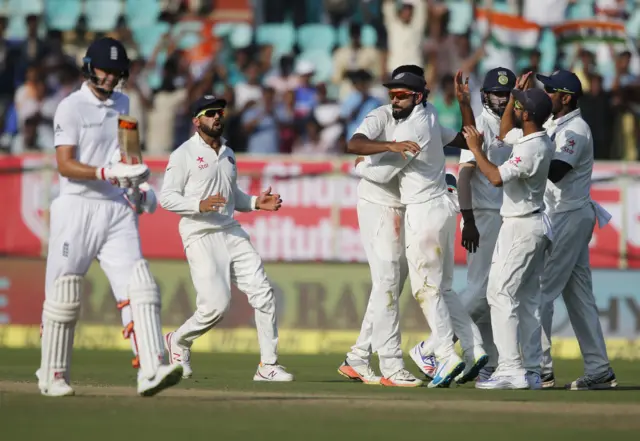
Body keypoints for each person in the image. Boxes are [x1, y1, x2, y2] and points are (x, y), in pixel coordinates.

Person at [38, 37, 183, 397]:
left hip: (116, 208)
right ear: (89, 68)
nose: (110, 78)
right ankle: (52, 374)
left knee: (140, 285)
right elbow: (64, 164)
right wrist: (106, 173)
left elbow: (127, 153)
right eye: (105, 70)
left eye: (117, 72)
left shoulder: (124, 102)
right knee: (64, 292)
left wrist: (137, 186)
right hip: (77, 205)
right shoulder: (70, 107)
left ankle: (151, 369)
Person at [352, 70, 486, 388]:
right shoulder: (431, 114)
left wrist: (359, 166)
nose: (395, 100)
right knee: (443, 289)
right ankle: (473, 347)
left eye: (402, 95)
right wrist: (467, 106)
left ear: (419, 96)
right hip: (441, 208)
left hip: (423, 213)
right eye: (392, 95)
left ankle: (444, 356)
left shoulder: (414, 128)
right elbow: (462, 138)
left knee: (424, 290)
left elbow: (383, 176)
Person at [159, 95, 294, 382]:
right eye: (210, 113)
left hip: (230, 230)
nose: (217, 117)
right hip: (200, 232)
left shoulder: (229, 153)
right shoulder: (183, 154)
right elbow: (167, 198)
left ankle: (267, 365)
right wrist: (199, 205)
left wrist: (257, 202)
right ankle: (178, 340)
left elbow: (232, 197)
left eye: (220, 112)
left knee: (263, 293)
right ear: (197, 121)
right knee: (215, 307)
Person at [412, 67, 517, 383]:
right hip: (483, 215)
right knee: (482, 288)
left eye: (507, 93)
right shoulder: (478, 126)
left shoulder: (509, 126)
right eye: (497, 93)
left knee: (493, 291)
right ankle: (430, 348)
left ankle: (487, 362)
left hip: (504, 216)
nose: (502, 99)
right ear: (485, 95)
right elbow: (465, 174)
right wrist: (468, 219)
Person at [468, 85, 554, 390]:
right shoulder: (534, 136)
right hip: (529, 225)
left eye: (517, 106)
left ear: (527, 114)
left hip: (520, 227)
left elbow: (493, 177)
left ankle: (510, 369)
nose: (512, 108)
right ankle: (532, 369)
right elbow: (505, 132)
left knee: (500, 295)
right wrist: (517, 92)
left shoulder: (533, 149)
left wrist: (476, 148)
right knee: (528, 300)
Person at [536, 70, 617, 390]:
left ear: (566, 97)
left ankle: (539, 367)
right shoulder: (554, 125)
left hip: (568, 217)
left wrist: (529, 149)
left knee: (540, 290)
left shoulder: (577, 130)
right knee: (579, 297)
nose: (544, 96)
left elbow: (556, 171)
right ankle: (599, 368)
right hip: (564, 216)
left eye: (549, 91)